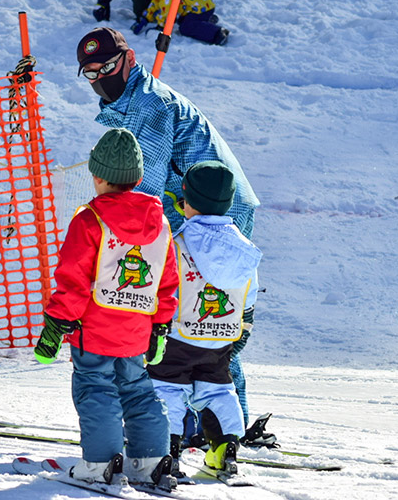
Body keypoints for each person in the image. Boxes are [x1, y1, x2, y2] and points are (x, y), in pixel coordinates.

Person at [76, 26, 260, 436]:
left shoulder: (149, 105)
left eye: (106, 67)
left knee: (199, 322)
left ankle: (196, 424)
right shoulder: (135, 100)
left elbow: (143, 196)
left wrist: (105, 249)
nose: (99, 78)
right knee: (202, 321)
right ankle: (214, 422)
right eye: (89, 73)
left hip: (215, 213)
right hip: (203, 213)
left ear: (128, 59)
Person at [33, 128, 179, 490]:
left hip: (94, 330)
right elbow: (166, 280)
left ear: (97, 176)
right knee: (137, 390)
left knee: (96, 388)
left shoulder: (89, 220)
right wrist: (161, 326)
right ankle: (150, 460)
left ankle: (101, 464)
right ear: (138, 178)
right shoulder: (160, 224)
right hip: (135, 332)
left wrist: (56, 325)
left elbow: (74, 278)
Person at [146, 161, 262, 480]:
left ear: (188, 201)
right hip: (220, 338)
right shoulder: (244, 249)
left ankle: (163, 452)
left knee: (166, 389)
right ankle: (224, 450)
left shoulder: (179, 243)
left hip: (178, 338)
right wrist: (240, 333)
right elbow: (248, 297)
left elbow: (163, 286)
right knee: (217, 392)